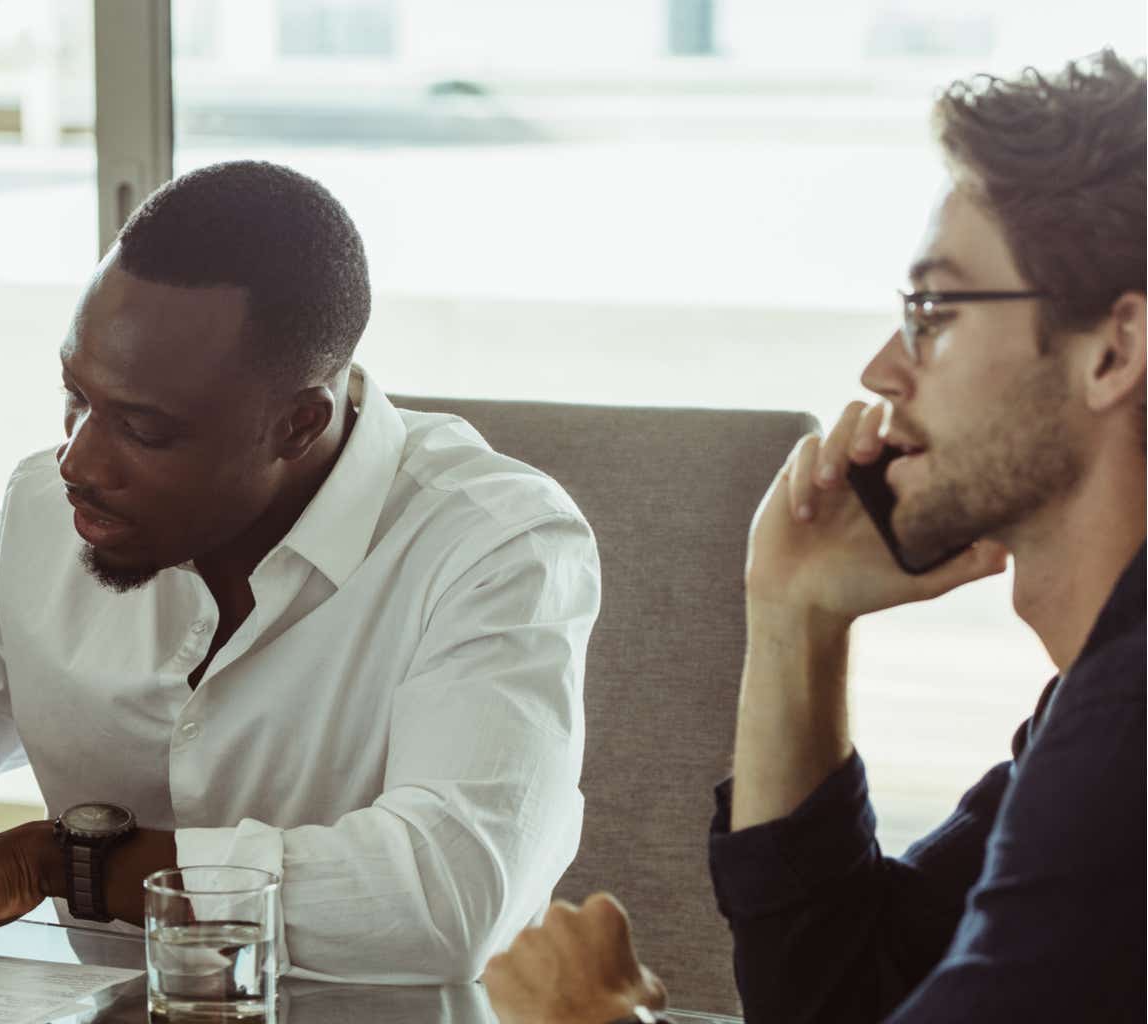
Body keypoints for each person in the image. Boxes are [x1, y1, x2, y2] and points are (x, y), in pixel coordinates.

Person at [0, 160, 600, 983]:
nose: (79, 461)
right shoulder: (41, 516)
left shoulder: (492, 545)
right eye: (75, 396)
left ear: (298, 423)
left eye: (143, 428)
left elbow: (450, 893)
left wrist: (72, 864)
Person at [484, 50, 1144, 1023]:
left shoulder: (1126, 727)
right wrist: (794, 615)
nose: (881, 369)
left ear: (1112, 353)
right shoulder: (1090, 712)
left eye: (931, 312)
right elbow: (840, 995)